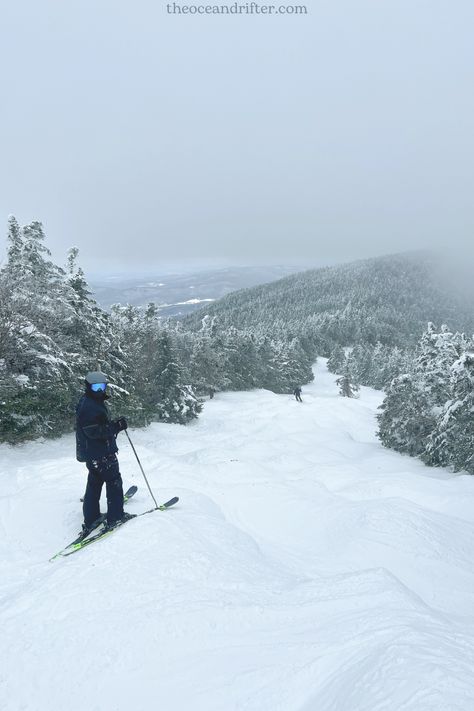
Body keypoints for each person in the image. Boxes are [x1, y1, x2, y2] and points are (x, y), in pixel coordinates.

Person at [75, 371, 134, 534]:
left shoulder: (90, 401)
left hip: (93, 453)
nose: (100, 390)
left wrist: (113, 424)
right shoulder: (90, 405)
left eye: (102, 386)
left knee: (94, 482)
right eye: (96, 387)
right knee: (114, 481)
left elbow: (97, 425)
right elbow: (93, 431)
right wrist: (116, 426)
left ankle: (92, 517)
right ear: (88, 386)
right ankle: (116, 517)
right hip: (101, 453)